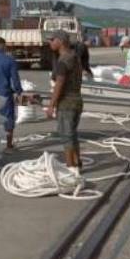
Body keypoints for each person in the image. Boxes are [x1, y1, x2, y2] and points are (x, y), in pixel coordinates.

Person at [45, 30, 84, 176]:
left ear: (60, 41)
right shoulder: (74, 57)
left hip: (66, 102)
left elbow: (59, 84)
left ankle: (71, 167)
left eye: (52, 40)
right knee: (72, 134)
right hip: (77, 100)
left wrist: (51, 105)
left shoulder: (63, 61)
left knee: (66, 135)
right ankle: (78, 163)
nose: (49, 42)